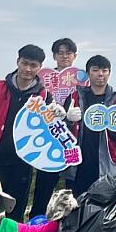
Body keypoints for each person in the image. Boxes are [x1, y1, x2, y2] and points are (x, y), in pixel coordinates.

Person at [0, 44, 64, 222]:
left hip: (22, 163)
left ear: (40, 68)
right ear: (17, 61)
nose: (28, 69)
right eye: (24, 63)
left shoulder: (43, 96)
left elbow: (48, 133)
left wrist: (59, 118)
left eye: (33, 65)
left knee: (15, 212)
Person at [63, 55, 116, 196]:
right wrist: (68, 119)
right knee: (75, 205)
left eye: (105, 70)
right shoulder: (75, 97)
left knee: (106, 207)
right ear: (88, 73)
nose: (101, 74)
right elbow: (59, 128)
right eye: (95, 70)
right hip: (78, 163)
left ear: (109, 73)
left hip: (107, 163)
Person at [30, 38, 79, 221]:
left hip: (73, 140)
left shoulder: (81, 78)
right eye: (60, 52)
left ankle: (69, 226)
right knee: (44, 184)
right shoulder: (43, 78)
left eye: (68, 52)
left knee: (72, 184)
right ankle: (36, 224)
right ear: (54, 56)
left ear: (75, 56)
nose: (64, 56)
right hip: (48, 139)